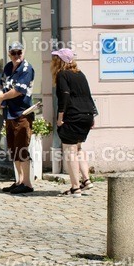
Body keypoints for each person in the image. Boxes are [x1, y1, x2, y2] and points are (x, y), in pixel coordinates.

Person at [52, 48, 97, 196]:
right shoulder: (80, 74)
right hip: (86, 115)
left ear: (60, 61)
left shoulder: (62, 74)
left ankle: (75, 187)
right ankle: (86, 180)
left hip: (72, 116)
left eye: (55, 58)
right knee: (78, 149)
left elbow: (64, 96)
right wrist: (92, 116)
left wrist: (60, 117)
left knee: (70, 152)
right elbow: (88, 95)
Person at [0, 42, 36, 194]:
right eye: (14, 53)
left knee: (22, 148)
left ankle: (27, 183)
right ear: (9, 54)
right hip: (9, 113)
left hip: (22, 113)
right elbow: (2, 84)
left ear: (23, 52)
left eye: (19, 52)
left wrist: (2, 98)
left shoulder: (26, 68)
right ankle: (19, 180)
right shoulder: (7, 67)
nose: (17, 55)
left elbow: (19, 90)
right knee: (13, 149)